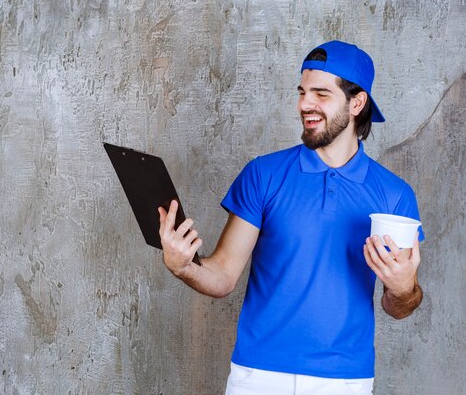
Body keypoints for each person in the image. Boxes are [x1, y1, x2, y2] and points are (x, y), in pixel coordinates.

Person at [158, 40, 424, 395]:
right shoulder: (263, 175)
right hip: (257, 374)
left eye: (321, 94)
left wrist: (404, 287)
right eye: (302, 92)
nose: (304, 105)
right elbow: (222, 276)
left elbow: (398, 306)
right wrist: (183, 265)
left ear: (357, 103)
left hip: (344, 380)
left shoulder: (395, 195)